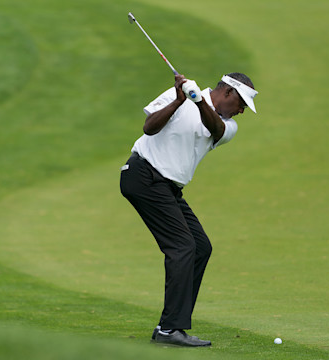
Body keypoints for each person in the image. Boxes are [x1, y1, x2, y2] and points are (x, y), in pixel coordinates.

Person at [119, 72, 258, 347]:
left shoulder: (228, 126)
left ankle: (169, 324)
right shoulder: (177, 95)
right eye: (241, 102)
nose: (242, 110)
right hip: (142, 175)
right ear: (228, 92)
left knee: (200, 247)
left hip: (168, 188)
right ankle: (170, 330)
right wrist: (179, 101)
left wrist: (197, 101)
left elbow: (215, 128)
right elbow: (149, 127)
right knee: (182, 247)